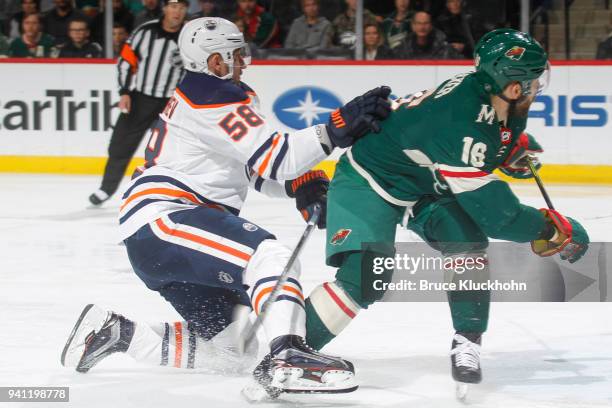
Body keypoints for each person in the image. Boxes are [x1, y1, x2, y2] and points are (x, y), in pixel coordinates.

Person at [62, 17, 392, 397]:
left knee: (235, 349)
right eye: (235, 54)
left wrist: (299, 186)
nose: (244, 61)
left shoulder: (205, 94)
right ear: (213, 61)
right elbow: (278, 157)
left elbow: (253, 169)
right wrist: (335, 127)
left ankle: (119, 335)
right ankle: (288, 356)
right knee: (271, 257)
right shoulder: (210, 95)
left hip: (154, 237)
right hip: (168, 216)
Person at [303, 28, 589, 392]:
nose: (537, 89)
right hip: (368, 180)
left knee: (466, 242)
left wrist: (504, 152)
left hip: (421, 178)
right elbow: (499, 217)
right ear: (514, 88)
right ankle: (291, 349)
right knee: (365, 275)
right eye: (533, 83)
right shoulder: (463, 124)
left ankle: (467, 341)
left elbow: (485, 139)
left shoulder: (490, 91)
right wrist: (552, 230)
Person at [88, 0, 189, 206]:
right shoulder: (145, 31)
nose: (176, 11)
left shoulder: (189, 37)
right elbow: (126, 60)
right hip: (140, 98)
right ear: (164, 9)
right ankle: (106, 188)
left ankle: (178, 192)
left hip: (172, 103)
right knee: (120, 144)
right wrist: (124, 91)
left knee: (174, 149)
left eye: (181, 7)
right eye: (173, 6)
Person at [394, 10, 460, 59]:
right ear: (413, 26)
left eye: (426, 23)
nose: (422, 27)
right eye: (419, 23)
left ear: (431, 26)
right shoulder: (404, 47)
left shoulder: (444, 47)